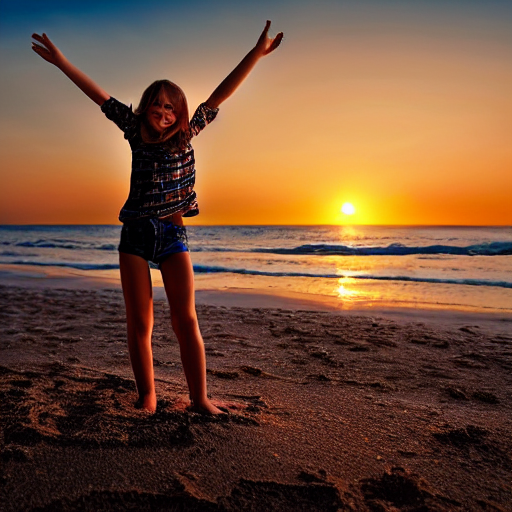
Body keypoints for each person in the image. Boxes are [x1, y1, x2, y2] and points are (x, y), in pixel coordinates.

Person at [31, 21, 283, 414]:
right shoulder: (133, 130)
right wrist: (61, 61)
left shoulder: (188, 133)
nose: (163, 112)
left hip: (172, 235)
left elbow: (220, 94)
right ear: (145, 105)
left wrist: (256, 53)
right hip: (134, 235)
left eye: (171, 106)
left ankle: (199, 399)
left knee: (185, 320)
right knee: (140, 323)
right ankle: (147, 397)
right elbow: (98, 95)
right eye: (157, 104)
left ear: (179, 113)